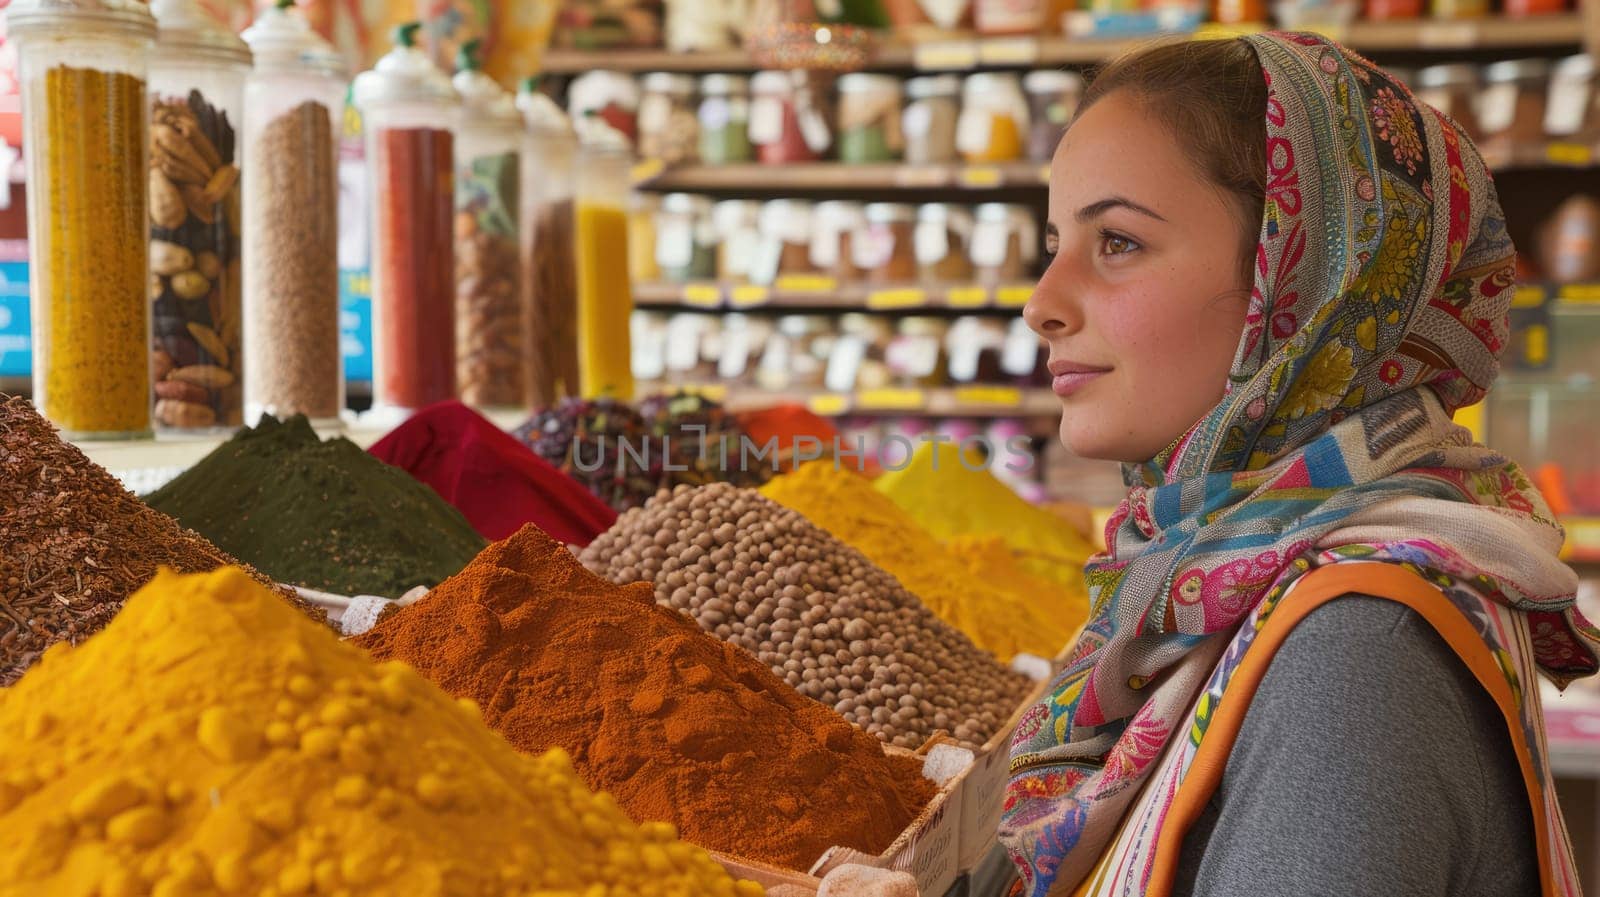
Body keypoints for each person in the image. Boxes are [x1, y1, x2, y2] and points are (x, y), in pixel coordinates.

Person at [1004, 32, 1600, 897]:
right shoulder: (1217, 576)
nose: (1041, 304)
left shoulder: (1355, 656)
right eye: (1055, 242)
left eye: (1119, 243)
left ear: (1305, 284)